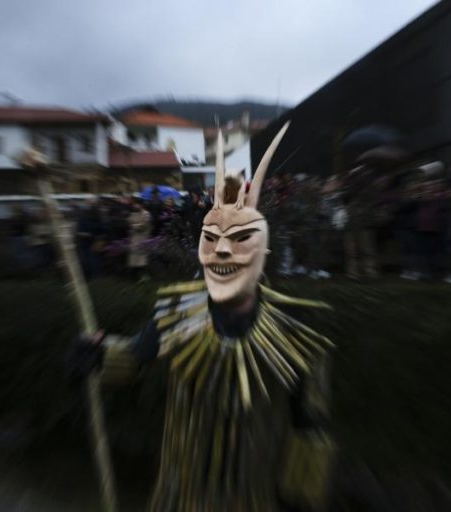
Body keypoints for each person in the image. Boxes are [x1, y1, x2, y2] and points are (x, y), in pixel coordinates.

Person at [72, 124, 335, 511]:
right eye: (210, 238)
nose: (221, 252)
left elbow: (310, 430)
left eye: (241, 238)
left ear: (263, 254)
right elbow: (134, 357)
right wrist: (95, 355)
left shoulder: (295, 339)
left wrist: (303, 495)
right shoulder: (176, 314)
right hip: (183, 499)